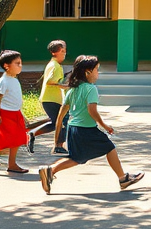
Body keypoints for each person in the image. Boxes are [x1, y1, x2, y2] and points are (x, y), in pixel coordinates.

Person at [38, 55, 144, 194]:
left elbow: (61, 115)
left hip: (73, 129)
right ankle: (123, 179)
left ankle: (50, 171)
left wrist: (58, 134)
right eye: (96, 70)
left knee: (78, 158)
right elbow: (92, 111)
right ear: (87, 72)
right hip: (86, 130)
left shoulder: (72, 89)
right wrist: (104, 125)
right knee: (109, 147)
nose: (98, 73)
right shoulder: (90, 89)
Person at [0, 49, 29, 174]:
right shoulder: (3, 81)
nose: (20, 66)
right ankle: (0, 156)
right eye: (17, 63)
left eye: (20, 63)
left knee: (18, 138)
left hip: (15, 113)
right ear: (7, 66)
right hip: (6, 114)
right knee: (10, 139)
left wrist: (21, 113)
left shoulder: (14, 79)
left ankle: (8, 161)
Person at [27, 39, 69, 155]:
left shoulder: (54, 65)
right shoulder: (54, 66)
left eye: (65, 51)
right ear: (54, 52)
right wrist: (63, 85)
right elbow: (50, 81)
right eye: (62, 51)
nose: (64, 54)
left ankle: (33, 133)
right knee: (62, 121)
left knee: (55, 122)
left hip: (51, 99)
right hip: (52, 99)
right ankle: (58, 146)